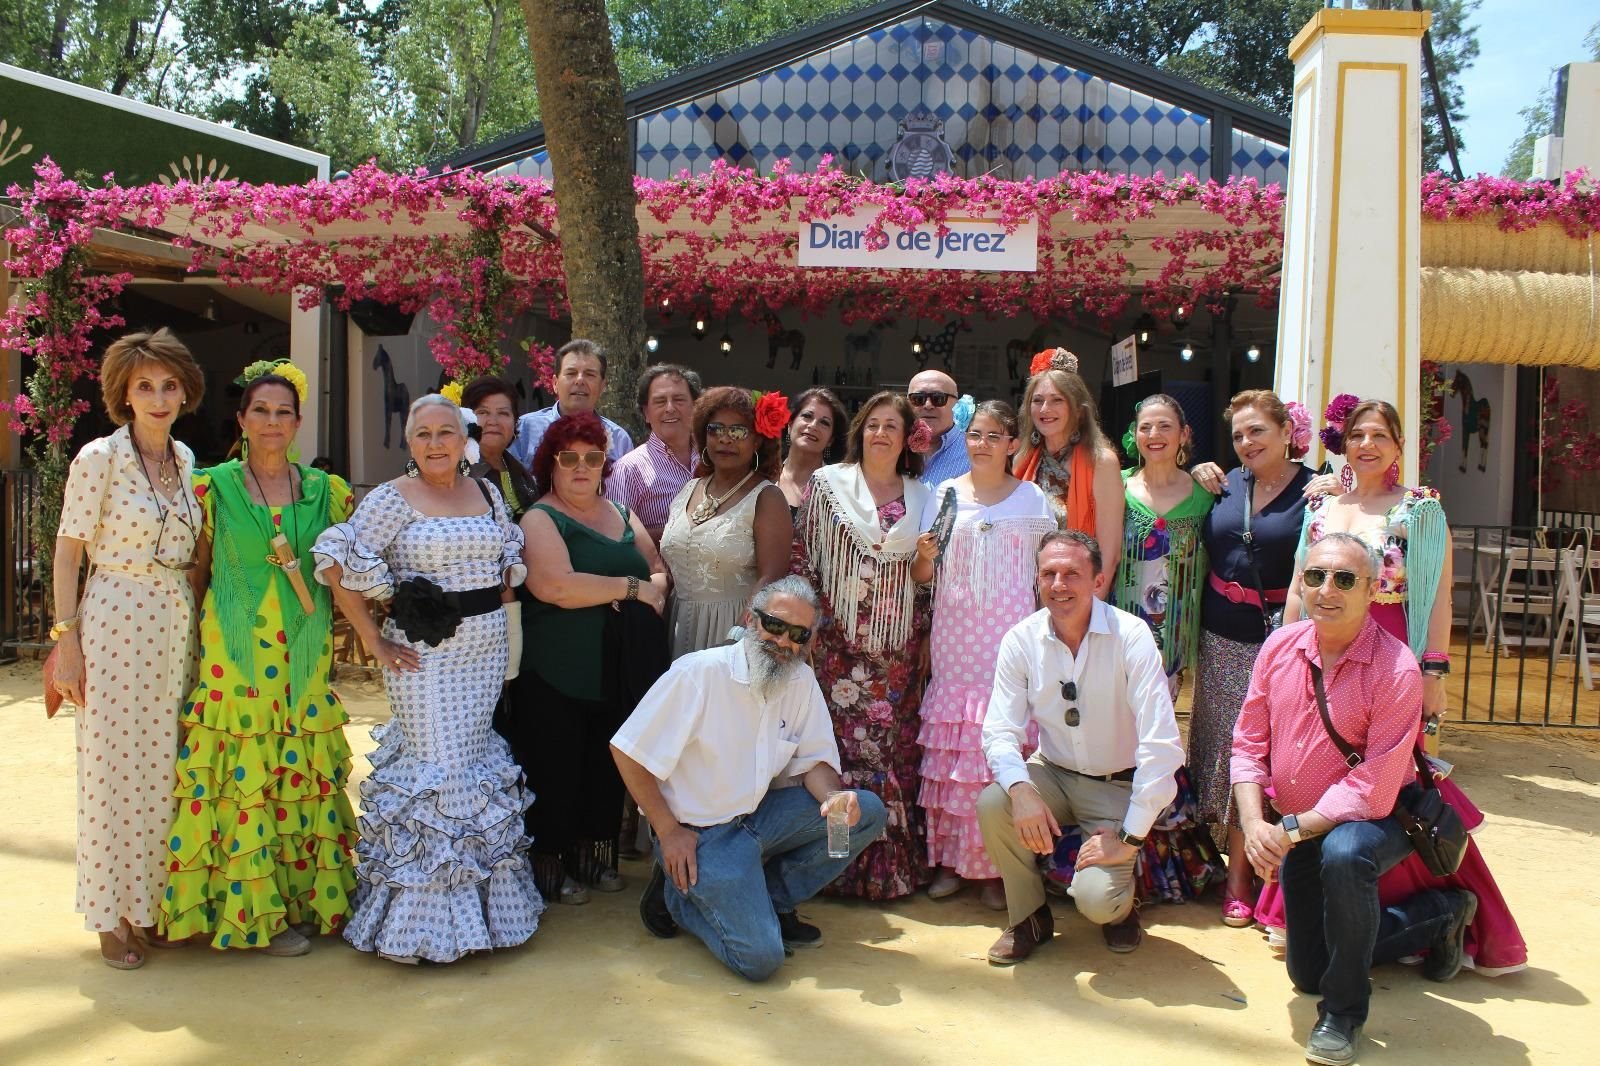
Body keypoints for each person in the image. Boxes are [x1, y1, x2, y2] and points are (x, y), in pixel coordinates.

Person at [1259, 397, 1528, 974]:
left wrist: (1433, 669)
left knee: (1396, 787)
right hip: (1321, 653)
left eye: (1381, 435)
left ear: (1400, 446)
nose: (1368, 446)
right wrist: (1283, 656)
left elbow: (1437, 593)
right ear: (1344, 443)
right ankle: (1318, 913)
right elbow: (1299, 586)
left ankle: (1436, 909)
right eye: (1358, 435)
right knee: (1320, 777)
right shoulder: (1322, 508)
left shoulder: (1421, 511)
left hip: (1391, 656)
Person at [313, 394, 544, 964]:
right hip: (423, 659)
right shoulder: (390, 499)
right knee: (437, 771)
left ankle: (483, 918)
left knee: (470, 766)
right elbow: (335, 567)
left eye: (446, 432)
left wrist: (508, 647)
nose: (436, 444)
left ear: (464, 438)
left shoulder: (489, 493)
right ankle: (422, 927)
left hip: (484, 652)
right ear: (409, 442)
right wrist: (372, 639)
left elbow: (506, 576)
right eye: (423, 434)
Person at [1232, 532, 1478, 1066]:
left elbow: (1374, 785)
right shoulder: (1278, 647)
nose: (1327, 589)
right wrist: (1254, 823)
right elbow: (1248, 744)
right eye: (1315, 576)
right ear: (1301, 582)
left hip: (1376, 817)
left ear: (1371, 590)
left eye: (1344, 579)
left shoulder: (1396, 669)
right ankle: (1439, 915)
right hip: (1298, 824)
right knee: (1307, 972)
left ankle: (1343, 1016)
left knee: (1345, 855)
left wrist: (1290, 829)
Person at [159, 361, 360, 956]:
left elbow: (347, 572)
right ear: (243, 420)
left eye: (284, 413)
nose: (272, 422)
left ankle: (300, 904)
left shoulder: (328, 492)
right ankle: (250, 915)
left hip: (303, 654)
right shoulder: (211, 487)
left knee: (296, 774)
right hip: (236, 658)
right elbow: (195, 571)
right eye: (261, 411)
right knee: (243, 776)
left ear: (298, 423)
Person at [612, 576, 889, 981]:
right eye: (774, 625)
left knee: (861, 812)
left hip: (756, 819)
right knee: (760, 961)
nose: (783, 641)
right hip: (700, 833)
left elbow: (813, 761)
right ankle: (679, 897)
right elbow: (628, 752)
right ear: (751, 619)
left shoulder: (799, 681)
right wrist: (669, 831)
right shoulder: (699, 674)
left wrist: (832, 798)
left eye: (798, 634)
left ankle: (770, 900)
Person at [52, 328, 205, 970]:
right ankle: (112, 915)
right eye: (145, 385)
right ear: (124, 392)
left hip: (173, 623)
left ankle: (153, 907)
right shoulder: (98, 458)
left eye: (169, 384)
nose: (158, 396)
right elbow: (67, 554)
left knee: (164, 769)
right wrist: (67, 642)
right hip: (114, 617)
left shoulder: (188, 459)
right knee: (112, 772)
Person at [977, 530, 1184, 964]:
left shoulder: (1132, 636)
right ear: (1036, 580)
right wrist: (1021, 790)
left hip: (1117, 784)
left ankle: (1123, 904)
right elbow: (999, 730)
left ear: (1098, 581)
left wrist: (1127, 838)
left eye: (1073, 573)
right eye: (1049, 573)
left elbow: (1161, 744)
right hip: (1053, 772)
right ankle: (1029, 917)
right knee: (995, 803)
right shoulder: (1021, 639)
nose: (1059, 585)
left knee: (1096, 902)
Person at [515, 412, 671, 904]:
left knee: (605, 766)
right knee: (554, 766)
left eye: (592, 457)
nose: (581, 467)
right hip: (555, 667)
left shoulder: (622, 513)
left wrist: (654, 589)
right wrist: (631, 589)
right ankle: (550, 864)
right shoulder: (539, 517)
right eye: (569, 458)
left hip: (616, 663)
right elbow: (554, 586)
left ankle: (591, 856)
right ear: (551, 464)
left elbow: (657, 567)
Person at [910, 400, 1053, 909]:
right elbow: (922, 577)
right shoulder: (943, 494)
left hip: (1011, 637)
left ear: (1013, 443)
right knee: (954, 755)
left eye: (995, 435)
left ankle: (998, 867)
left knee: (1001, 749)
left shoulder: (1032, 499)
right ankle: (950, 862)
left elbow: (1045, 578)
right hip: (955, 635)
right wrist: (923, 559)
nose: (982, 444)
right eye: (975, 434)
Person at [791, 391, 932, 899]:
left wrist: (928, 636)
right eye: (873, 424)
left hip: (896, 646)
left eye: (892, 426)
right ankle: (832, 867)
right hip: (836, 643)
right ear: (860, 432)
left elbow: (930, 580)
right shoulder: (828, 487)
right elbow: (802, 555)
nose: (881, 434)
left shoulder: (924, 496)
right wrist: (803, 631)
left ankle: (883, 870)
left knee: (887, 752)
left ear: (907, 436)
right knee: (837, 750)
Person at [1190, 390, 1318, 928]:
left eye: (1258, 431)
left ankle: (1245, 881)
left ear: (1287, 431)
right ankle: (1215, 862)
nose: (1247, 443)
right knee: (1214, 754)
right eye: (1239, 434)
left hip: (1279, 640)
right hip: (1219, 636)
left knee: (1256, 759)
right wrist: (1193, 469)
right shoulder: (1223, 484)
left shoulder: (1315, 488)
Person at [658, 386, 792, 659]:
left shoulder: (767, 497)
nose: (725, 439)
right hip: (675, 626)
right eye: (715, 429)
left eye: (738, 431)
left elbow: (772, 577)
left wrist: (738, 638)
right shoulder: (689, 488)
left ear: (757, 440)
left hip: (732, 636)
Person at [1113, 395, 1214, 698]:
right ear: (1135, 435)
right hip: (1120, 629)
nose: (1154, 435)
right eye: (1145, 427)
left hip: (1175, 640)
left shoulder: (1206, 493)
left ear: (1184, 434)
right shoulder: (1116, 485)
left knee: (1158, 729)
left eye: (1164, 426)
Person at [1013, 349, 1125, 575]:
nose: (1045, 409)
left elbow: (1109, 555)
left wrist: (1085, 607)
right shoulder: (1021, 460)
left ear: (1078, 410)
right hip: (1023, 589)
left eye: (1057, 400)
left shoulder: (1102, 462)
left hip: (1077, 592)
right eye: (1038, 400)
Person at [609, 364, 704, 544]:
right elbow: (616, 538)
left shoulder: (713, 460)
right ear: (646, 413)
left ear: (695, 407)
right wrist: (682, 530)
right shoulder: (627, 470)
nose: (670, 408)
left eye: (679, 399)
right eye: (660, 401)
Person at [508, 339, 634, 467]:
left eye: (589, 374)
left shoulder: (619, 440)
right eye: (571, 373)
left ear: (602, 386)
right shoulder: (524, 430)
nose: (579, 380)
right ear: (555, 383)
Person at [464, 375, 539, 520]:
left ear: (515, 421)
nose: (493, 421)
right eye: (483, 412)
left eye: (503, 413)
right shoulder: (456, 473)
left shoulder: (520, 472)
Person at [777, 387, 847, 515]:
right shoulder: (764, 476)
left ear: (831, 440)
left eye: (824, 423)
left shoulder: (841, 490)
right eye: (807, 416)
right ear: (790, 425)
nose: (813, 425)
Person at [907, 369, 971, 488]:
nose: (928, 405)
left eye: (938, 398)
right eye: (918, 398)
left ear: (956, 404)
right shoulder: (895, 446)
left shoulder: (975, 451)